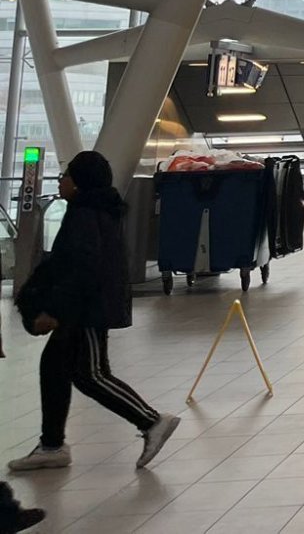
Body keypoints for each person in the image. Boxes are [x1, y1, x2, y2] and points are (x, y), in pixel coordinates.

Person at [8, 152, 177, 475]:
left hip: (86, 309)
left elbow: (82, 268)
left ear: (81, 181)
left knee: (91, 374)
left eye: (67, 176)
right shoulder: (92, 209)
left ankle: (151, 420)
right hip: (85, 305)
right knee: (54, 367)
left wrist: (55, 310)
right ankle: (52, 444)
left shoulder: (86, 214)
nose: (61, 181)